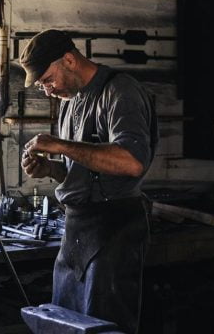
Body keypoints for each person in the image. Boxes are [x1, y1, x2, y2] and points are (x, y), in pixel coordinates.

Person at [19, 29, 158, 333]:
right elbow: (84, 170)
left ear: (69, 59)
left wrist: (61, 145)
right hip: (77, 232)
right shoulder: (71, 102)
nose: (47, 91)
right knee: (64, 325)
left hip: (114, 229)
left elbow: (131, 162)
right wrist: (50, 169)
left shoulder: (120, 91)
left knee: (103, 327)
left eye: (48, 80)